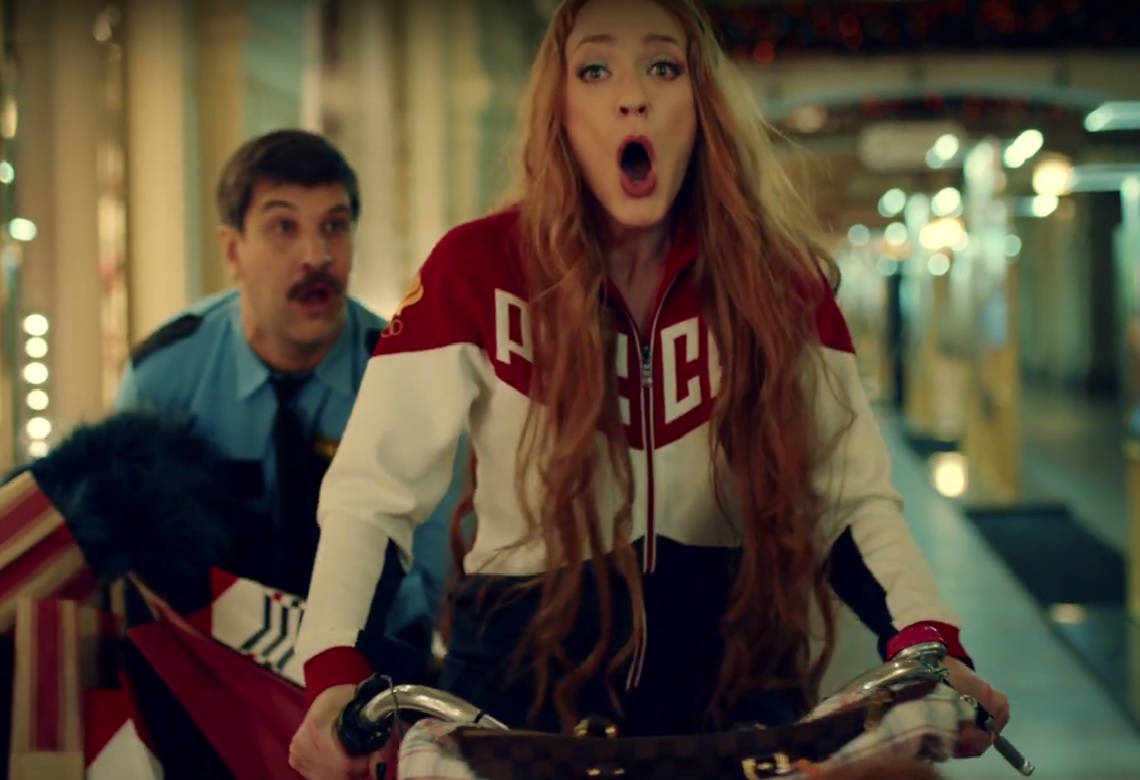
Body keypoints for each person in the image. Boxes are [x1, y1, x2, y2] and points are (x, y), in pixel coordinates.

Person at [288, 1, 1011, 777]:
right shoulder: (475, 269)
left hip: (733, 700)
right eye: (595, 69)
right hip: (518, 707)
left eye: (663, 67)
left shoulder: (782, 283)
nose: (631, 96)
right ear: (560, 110)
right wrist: (333, 670)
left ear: (701, 105)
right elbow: (374, 493)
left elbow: (851, 499)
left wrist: (929, 643)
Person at [114, 129, 458, 650]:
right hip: (202, 660)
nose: (316, 256)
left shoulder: (407, 377)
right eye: (283, 227)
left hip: (370, 659)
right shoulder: (164, 377)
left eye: (334, 226)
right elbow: (132, 574)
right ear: (233, 250)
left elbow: (436, 588)